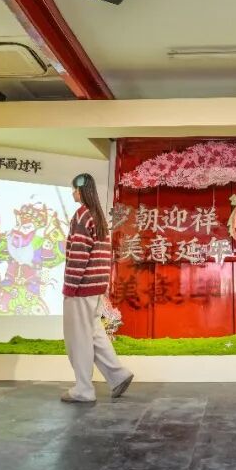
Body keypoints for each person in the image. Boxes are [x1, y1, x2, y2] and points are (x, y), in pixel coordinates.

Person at [61, 173, 133, 403]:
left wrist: (69, 287)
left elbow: (79, 255)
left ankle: (83, 389)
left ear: (82, 191)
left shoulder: (82, 216)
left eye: (74, 189)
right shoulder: (97, 215)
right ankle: (118, 375)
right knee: (93, 332)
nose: (72, 193)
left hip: (81, 287)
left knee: (78, 338)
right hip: (96, 286)